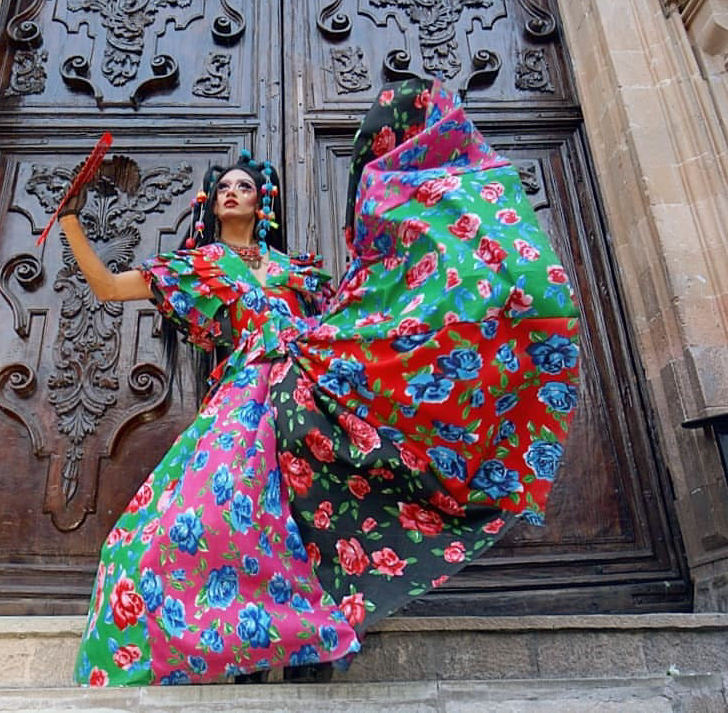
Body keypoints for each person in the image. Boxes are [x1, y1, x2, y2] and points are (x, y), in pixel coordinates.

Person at [61, 79, 580, 687]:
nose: (232, 193)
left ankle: (311, 644)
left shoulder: (296, 270)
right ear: (211, 204)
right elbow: (108, 288)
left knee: (313, 513)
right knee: (218, 515)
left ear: (263, 202)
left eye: (243, 186)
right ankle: (244, 645)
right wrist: (70, 221)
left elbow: (350, 318)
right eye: (223, 188)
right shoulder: (196, 267)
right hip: (246, 396)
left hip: (309, 387)